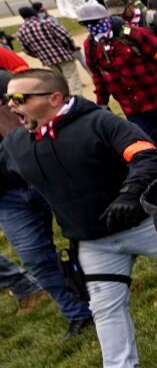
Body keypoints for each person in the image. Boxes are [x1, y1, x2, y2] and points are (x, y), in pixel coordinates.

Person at [1, 68, 157, 368]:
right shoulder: (16, 144)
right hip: (93, 243)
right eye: (8, 99)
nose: (10, 106)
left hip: (141, 224)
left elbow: (146, 154)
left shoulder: (99, 123)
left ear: (54, 98)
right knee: (106, 309)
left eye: (18, 98)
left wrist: (130, 195)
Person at [0, 71, 93, 335]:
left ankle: (106, 289)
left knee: (91, 233)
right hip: (7, 196)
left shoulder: (7, 83)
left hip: (46, 172)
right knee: (35, 257)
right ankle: (77, 312)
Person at [76, 2, 157, 156]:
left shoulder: (135, 34)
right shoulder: (91, 47)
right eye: (87, 24)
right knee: (150, 144)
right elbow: (98, 77)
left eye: (96, 21)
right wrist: (102, 103)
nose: (92, 26)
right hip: (133, 107)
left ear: (106, 18)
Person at [16, 6, 82, 95]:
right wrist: (70, 48)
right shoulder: (46, 23)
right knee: (72, 78)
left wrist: (40, 55)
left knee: (61, 80)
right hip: (63, 54)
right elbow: (65, 36)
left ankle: (66, 100)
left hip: (47, 60)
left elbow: (26, 50)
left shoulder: (21, 31)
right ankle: (77, 100)